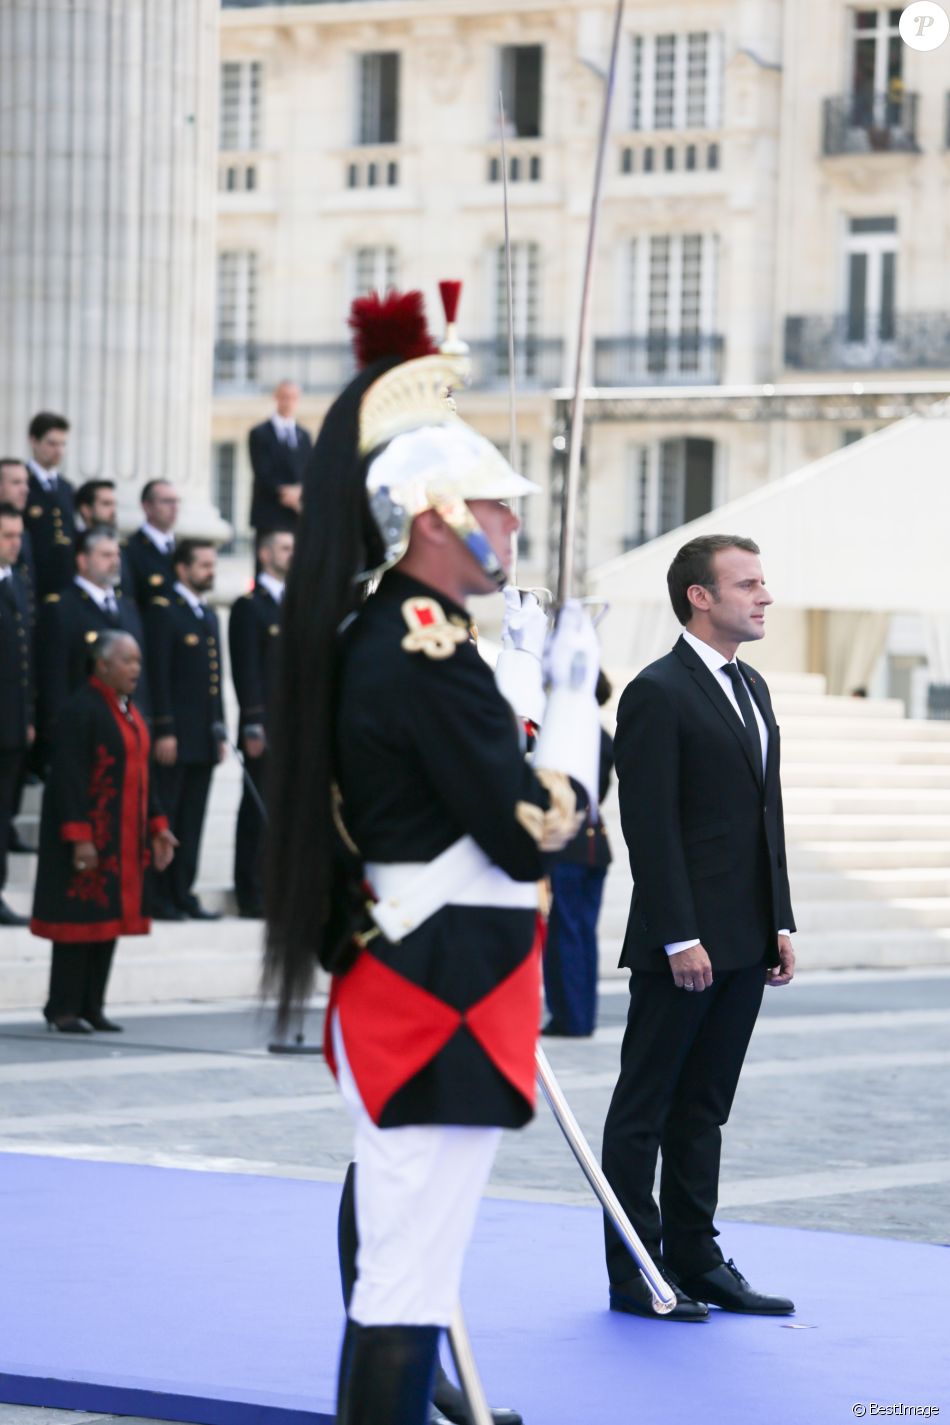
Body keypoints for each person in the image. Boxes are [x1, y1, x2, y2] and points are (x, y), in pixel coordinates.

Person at [262, 289, 601, 1425]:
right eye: (496, 513)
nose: (511, 532)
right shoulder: (418, 644)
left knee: (408, 1266)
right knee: (403, 1283)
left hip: (429, 974)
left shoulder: (402, 638)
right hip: (439, 982)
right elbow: (531, 829)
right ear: (432, 515)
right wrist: (572, 721)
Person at [601, 533, 797, 1323]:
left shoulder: (753, 687)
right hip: (683, 944)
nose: (764, 595)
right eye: (747, 582)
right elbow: (648, 825)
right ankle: (638, 1272)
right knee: (644, 1108)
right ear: (700, 596)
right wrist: (680, 935)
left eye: (763, 580)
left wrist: (778, 917)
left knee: (705, 1107)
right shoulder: (656, 690)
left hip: (747, 939)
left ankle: (697, 1257)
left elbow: (764, 814)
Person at [30, 630, 177, 1032]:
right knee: (78, 924)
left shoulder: (128, 709)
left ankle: (92, 1005)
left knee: (106, 923)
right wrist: (80, 838)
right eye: (128, 661)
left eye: (138, 662)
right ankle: (62, 1008)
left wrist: (158, 826)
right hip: (88, 838)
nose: (136, 669)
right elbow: (69, 780)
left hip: (121, 839)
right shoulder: (82, 709)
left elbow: (143, 775)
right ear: (103, 664)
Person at [145, 539, 225, 921]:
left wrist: (219, 730)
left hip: (202, 738)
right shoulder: (165, 612)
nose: (211, 571)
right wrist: (163, 728)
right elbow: (158, 674)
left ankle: (183, 891)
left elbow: (215, 680)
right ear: (182, 568)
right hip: (175, 738)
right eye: (204, 565)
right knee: (170, 818)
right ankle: (158, 895)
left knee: (193, 819)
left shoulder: (206, 614)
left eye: (212, 565)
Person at [541, 671, 614, 1038]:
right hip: (593, 845)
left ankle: (571, 1016)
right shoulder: (597, 734)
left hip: (569, 845)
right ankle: (580, 1014)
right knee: (580, 932)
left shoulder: (572, 735)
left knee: (567, 932)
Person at [36, 528, 151, 755]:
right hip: (84, 730)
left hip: (128, 729)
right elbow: (54, 676)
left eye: (116, 555)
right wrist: (59, 728)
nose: (115, 561)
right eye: (106, 555)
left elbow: (141, 672)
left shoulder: (127, 607)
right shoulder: (62, 607)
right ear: (82, 560)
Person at [228, 528, 293, 918]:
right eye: (285, 548)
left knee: (285, 811)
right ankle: (250, 890)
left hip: (293, 727)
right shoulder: (250, 606)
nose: (293, 555)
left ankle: (277, 888)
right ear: (265, 554)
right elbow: (246, 670)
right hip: (264, 727)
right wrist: (253, 722)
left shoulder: (294, 604)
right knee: (258, 808)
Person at [0, 504, 35, 926]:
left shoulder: (17, 584)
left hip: (9, 725)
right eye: (6, 535)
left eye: (17, 535)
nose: (15, 543)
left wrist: (26, 717)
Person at [248, 380, 312, 543]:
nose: (288, 402)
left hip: (297, 516)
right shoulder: (259, 433)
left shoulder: (304, 435)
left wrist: (300, 492)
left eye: (292, 398)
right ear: (276, 398)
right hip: (269, 514)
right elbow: (262, 471)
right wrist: (287, 493)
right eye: (284, 397)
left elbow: (309, 470)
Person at [24, 412, 76, 598]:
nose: (59, 450)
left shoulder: (66, 487)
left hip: (63, 581)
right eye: (52, 443)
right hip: (32, 579)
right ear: (34, 441)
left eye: (62, 444)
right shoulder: (22, 482)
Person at [123, 479, 179, 610]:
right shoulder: (130, 549)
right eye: (167, 501)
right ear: (147, 507)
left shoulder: (181, 548)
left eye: (176, 501)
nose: (174, 507)